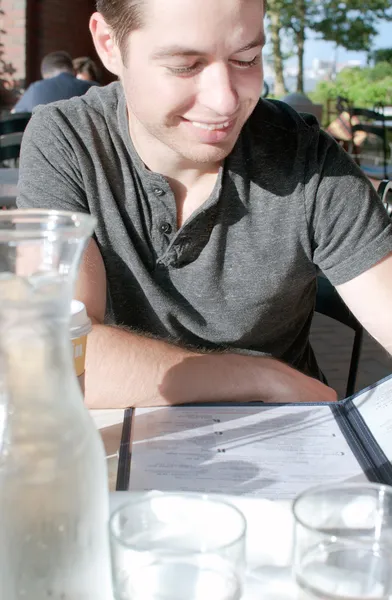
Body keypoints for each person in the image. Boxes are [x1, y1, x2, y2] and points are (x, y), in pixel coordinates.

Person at [17, 0, 392, 409]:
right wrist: (260, 377)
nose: (226, 101)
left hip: (290, 443)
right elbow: (53, 358)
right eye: (185, 65)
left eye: (246, 59)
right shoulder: (69, 140)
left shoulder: (307, 162)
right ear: (109, 44)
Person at [12, 51, 97, 113]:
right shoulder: (94, 89)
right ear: (73, 70)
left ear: (45, 75)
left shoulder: (35, 89)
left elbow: (14, 115)